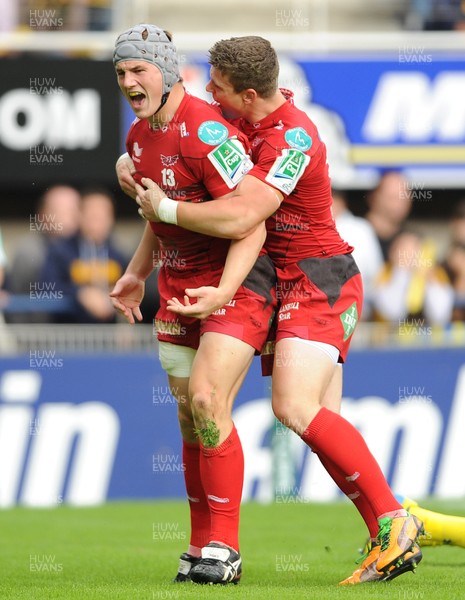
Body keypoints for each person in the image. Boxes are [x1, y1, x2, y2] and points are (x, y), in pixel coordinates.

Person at [129, 36, 424, 585]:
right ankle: (391, 526)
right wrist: (132, 159)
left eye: (216, 86)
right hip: (279, 283)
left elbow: (247, 213)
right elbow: (177, 131)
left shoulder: (295, 138)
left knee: (293, 407)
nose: (207, 93)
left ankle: (394, 519)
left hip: (319, 279)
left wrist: (164, 206)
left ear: (246, 94)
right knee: (317, 422)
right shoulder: (240, 114)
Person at [110, 24, 275, 586]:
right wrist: (136, 274)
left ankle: (224, 551)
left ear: (168, 68)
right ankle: (199, 544)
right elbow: (162, 217)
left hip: (235, 285)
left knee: (206, 399)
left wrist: (227, 292)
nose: (129, 82)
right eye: (121, 74)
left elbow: (249, 219)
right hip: (178, 292)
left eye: (139, 70)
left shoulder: (205, 128)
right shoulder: (138, 138)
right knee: (188, 417)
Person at [41, 187, 128, 323]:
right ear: (79, 216)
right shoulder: (60, 251)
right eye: (92, 214)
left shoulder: (119, 255)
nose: (96, 221)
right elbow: (47, 287)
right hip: (68, 333)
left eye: (102, 215)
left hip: (108, 336)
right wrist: (80, 293)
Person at [6, 184, 81, 323]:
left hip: (79, 336)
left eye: (72, 211)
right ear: (42, 213)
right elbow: (15, 301)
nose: (67, 218)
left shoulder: (88, 247)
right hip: (39, 335)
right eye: (58, 211)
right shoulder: (28, 252)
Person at [372, 230, 454, 327]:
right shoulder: (384, 273)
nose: (409, 254)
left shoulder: (436, 274)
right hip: (389, 337)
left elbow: (439, 316)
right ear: (392, 251)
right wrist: (401, 272)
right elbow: (392, 313)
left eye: (414, 248)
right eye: (403, 248)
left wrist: (425, 276)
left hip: (427, 337)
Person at [332, 189, 384, 319]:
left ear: (341, 202)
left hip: (358, 310)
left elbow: (376, 273)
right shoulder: (310, 227)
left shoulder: (361, 228)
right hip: (322, 310)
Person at [365, 171, 413, 261]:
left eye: (404, 197)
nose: (399, 204)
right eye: (392, 197)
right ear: (374, 197)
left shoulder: (413, 239)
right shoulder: (355, 235)